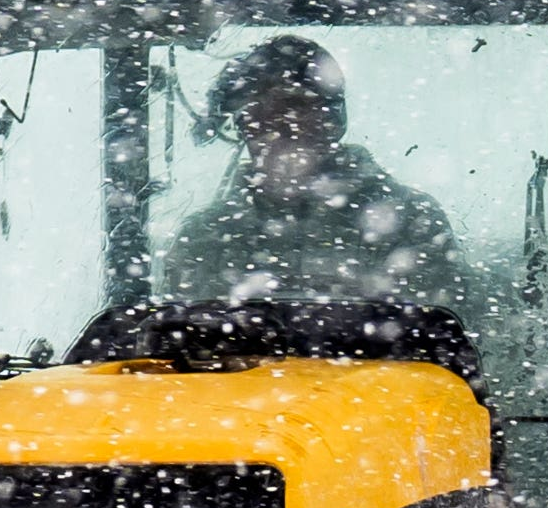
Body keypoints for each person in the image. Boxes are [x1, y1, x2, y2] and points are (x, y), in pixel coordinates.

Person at [158, 36, 470, 314]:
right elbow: (179, 356)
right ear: (242, 128)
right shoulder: (205, 237)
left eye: (294, 106)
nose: (277, 124)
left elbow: (441, 345)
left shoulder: (410, 220)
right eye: (256, 112)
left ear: (332, 119)